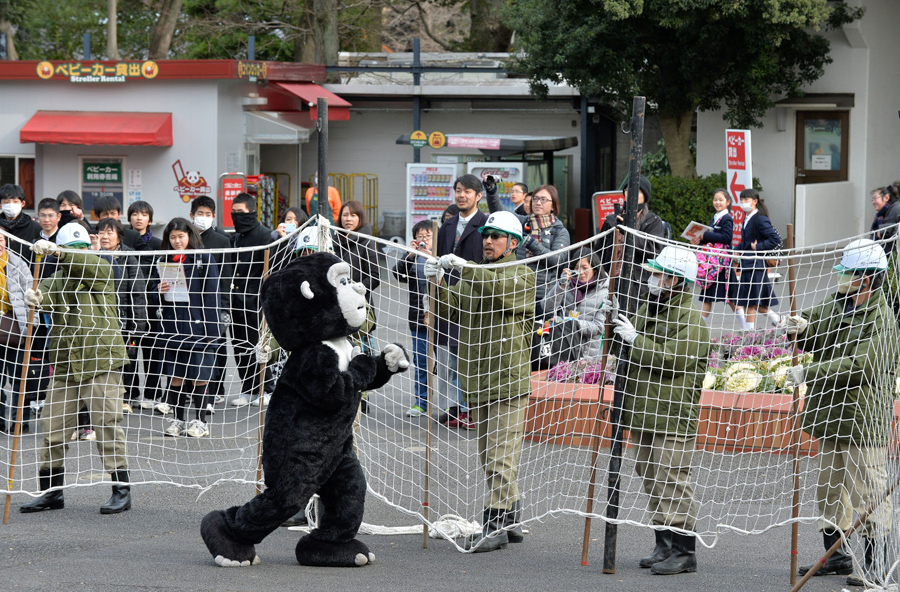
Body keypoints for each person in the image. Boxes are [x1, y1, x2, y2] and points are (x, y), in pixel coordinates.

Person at [789, 239, 898, 587]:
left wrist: (809, 373)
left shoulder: (882, 317)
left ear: (865, 279)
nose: (842, 279)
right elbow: (814, 323)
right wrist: (801, 324)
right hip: (832, 415)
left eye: (848, 274)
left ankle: (874, 563)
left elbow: (861, 365)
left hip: (862, 419)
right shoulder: (839, 302)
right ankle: (835, 555)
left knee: (868, 492)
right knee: (830, 489)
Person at [426, 210, 536, 553]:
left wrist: (465, 269)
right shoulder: (477, 273)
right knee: (492, 455)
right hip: (477, 377)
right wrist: (436, 281)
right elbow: (451, 309)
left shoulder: (522, 274)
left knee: (500, 456)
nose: (487, 241)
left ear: (513, 243)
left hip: (507, 379)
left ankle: (496, 524)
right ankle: (513, 520)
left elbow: (501, 291)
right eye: (485, 235)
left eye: (496, 236)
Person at [19, 223, 132, 515]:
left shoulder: (101, 268)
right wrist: (34, 298)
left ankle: (121, 490)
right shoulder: (55, 277)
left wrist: (62, 250)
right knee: (52, 428)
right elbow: (41, 292)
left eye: (81, 248)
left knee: (107, 425)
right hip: (66, 363)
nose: (76, 252)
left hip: (101, 359)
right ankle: (51, 492)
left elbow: (85, 264)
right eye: (71, 247)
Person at [611, 245, 709, 575]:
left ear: (676, 281)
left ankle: (685, 551)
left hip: (671, 412)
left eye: (659, 274)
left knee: (672, 478)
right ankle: (664, 542)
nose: (652, 279)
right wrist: (616, 326)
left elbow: (672, 360)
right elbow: (624, 347)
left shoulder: (691, 318)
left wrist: (636, 339)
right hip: (644, 410)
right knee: (650, 475)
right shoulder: (651, 308)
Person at [148, 218, 221, 438]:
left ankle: (200, 421)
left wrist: (212, 331)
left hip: (198, 324)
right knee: (175, 375)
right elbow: (152, 294)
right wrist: (157, 291)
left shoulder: (202, 259)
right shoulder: (162, 260)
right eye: (172, 237)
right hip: (172, 325)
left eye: (181, 236)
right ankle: (178, 420)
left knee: (199, 374)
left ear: (190, 235)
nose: (177, 241)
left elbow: (212, 296)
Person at [434, 175, 490, 430]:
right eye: (458, 190)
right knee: (450, 357)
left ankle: (472, 409)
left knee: (472, 358)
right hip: (449, 299)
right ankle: (457, 407)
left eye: (467, 191)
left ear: (479, 196)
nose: (461, 195)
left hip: (475, 298)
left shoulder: (486, 224)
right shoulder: (446, 226)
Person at [486, 181, 570, 316]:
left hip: (543, 296)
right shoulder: (523, 222)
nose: (537, 203)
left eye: (543, 200)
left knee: (538, 335)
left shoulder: (559, 231)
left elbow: (557, 259)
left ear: (553, 205)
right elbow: (501, 214)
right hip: (516, 291)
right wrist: (491, 192)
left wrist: (530, 242)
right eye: (535, 199)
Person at [226, 193, 275, 408]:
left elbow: (272, 269)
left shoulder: (266, 236)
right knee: (239, 345)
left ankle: (267, 387)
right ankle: (248, 389)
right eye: (233, 213)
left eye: (241, 213)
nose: (236, 217)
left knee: (259, 345)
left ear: (252, 212)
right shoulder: (235, 237)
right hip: (235, 300)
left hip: (257, 300)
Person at [96, 218, 149, 414]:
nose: (105, 236)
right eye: (102, 232)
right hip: (98, 321)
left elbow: (137, 293)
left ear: (119, 236)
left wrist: (136, 325)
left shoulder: (129, 257)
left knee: (126, 360)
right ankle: (102, 400)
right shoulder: (93, 255)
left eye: (110, 232)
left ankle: (124, 398)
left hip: (123, 319)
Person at [596, 175, 665, 315]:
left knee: (632, 324)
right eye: (628, 189)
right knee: (608, 324)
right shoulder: (611, 219)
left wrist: (626, 232)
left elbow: (655, 251)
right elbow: (599, 252)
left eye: (637, 190)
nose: (631, 193)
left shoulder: (653, 221)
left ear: (645, 196)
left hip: (638, 285)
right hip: (610, 282)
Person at [189, 196, 231, 406]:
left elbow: (226, 277)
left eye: (207, 214)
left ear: (214, 217)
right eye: (199, 214)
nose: (203, 218)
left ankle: (215, 389)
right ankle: (190, 390)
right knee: (191, 346)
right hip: (190, 302)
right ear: (192, 215)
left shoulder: (222, 241)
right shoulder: (186, 237)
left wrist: (225, 307)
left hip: (214, 303)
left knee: (216, 347)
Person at [394, 220, 435, 417]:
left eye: (428, 236)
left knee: (447, 363)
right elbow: (397, 274)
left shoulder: (442, 255)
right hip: (418, 318)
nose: (424, 240)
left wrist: (433, 257)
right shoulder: (413, 257)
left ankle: (450, 404)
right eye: (420, 237)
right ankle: (421, 401)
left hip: (442, 319)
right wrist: (410, 255)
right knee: (420, 361)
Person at [127, 199, 165, 409]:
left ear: (150, 218)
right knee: (129, 352)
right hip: (130, 305)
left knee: (152, 352)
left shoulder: (158, 245)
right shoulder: (124, 243)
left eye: (143, 214)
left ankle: (152, 394)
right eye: (134, 214)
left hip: (151, 304)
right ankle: (131, 393)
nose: (139, 218)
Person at [540, 250, 610, 362]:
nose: (580, 272)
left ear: (595, 268)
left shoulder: (605, 293)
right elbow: (546, 307)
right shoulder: (568, 285)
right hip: (563, 351)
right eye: (576, 268)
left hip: (589, 357)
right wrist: (561, 285)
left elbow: (598, 327)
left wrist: (569, 323)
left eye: (584, 267)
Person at [730, 189, 782, 329]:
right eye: (741, 200)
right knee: (749, 301)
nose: (743, 203)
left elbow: (775, 239)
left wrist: (758, 247)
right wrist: (736, 251)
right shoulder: (746, 218)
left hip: (756, 264)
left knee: (752, 301)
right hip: (747, 263)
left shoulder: (760, 219)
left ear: (755, 201)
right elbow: (745, 242)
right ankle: (752, 330)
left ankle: (775, 321)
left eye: (746, 200)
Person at [0, 232, 36, 434]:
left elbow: (31, 295)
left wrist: (33, 325)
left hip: (16, 330)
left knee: (19, 380)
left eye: (1, 239)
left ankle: (19, 422)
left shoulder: (18, 263)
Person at [691, 188, 736, 320]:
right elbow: (712, 240)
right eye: (715, 200)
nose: (717, 202)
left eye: (721, 200)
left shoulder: (727, 218)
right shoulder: (715, 218)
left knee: (732, 298)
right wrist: (698, 241)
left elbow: (727, 237)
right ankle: (699, 329)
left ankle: (748, 328)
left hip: (722, 264)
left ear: (727, 202)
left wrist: (705, 235)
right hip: (712, 265)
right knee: (707, 298)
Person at [0, 184, 42, 263]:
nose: (11, 205)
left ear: (23, 203)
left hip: (27, 273)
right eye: (6, 202)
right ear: (1, 205)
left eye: (15, 202)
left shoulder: (35, 228)